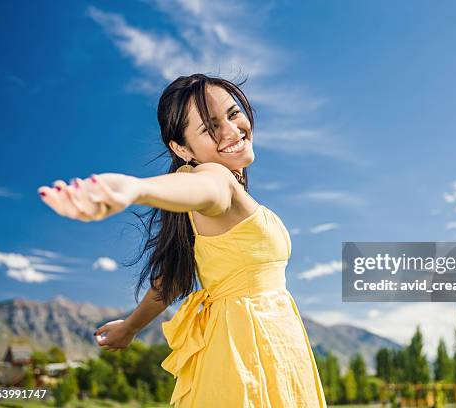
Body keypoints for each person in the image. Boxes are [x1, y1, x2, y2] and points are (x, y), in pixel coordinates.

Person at [37, 73, 327, 407]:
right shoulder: (214, 179)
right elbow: (208, 188)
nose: (232, 131)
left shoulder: (206, 198)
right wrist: (135, 188)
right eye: (210, 127)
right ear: (181, 148)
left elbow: (171, 278)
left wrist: (130, 327)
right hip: (246, 354)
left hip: (265, 345)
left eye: (233, 114)